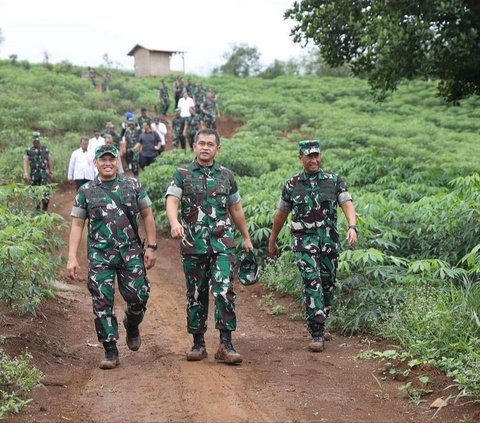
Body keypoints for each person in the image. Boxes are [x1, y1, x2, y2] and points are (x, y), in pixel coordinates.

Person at [166, 128, 254, 365]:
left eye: (210, 144)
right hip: (193, 243)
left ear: (217, 149)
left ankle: (226, 344)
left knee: (225, 290)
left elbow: (235, 208)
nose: (205, 147)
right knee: (196, 293)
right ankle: (198, 343)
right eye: (201, 143)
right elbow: (172, 200)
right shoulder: (182, 174)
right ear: (194, 146)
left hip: (222, 243)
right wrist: (175, 223)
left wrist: (245, 237)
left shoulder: (226, 175)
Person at [66, 144, 157, 370]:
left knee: (138, 295)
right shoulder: (86, 191)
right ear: (95, 163)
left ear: (117, 161)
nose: (107, 163)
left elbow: (147, 214)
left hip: (131, 253)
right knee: (102, 302)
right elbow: (77, 225)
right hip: (100, 257)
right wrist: (72, 257)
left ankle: (132, 323)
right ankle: (110, 349)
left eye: (111, 159)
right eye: (102, 160)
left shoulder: (132, 185)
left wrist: (151, 246)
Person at [268, 140, 358, 353]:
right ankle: (317, 332)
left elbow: (347, 203)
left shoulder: (334, 181)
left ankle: (320, 320)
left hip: (328, 241)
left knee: (327, 283)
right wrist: (272, 239)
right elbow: (281, 214)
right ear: (301, 158)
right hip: (303, 242)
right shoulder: (292, 185)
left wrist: (352, 226)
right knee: (312, 281)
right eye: (309, 156)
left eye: (316, 155)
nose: (313, 160)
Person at [23, 131, 53, 211]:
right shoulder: (29, 150)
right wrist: (25, 173)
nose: (36, 142)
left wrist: (50, 172)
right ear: (32, 140)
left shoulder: (45, 149)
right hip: (34, 174)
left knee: (45, 192)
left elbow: (49, 160)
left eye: (37, 140)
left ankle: (45, 209)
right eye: (34, 140)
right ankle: (37, 210)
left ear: (39, 140)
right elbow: (25, 161)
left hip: (44, 174)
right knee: (35, 193)